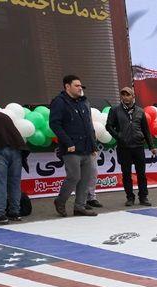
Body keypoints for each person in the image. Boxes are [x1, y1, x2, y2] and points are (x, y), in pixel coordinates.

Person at [49, 74, 98, 217]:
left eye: (81, 86)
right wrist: (68, 142)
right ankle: (60, 201)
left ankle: (79, 207)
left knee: (86, 178)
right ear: (67, 86)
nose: (80, 88)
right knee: (74, 177)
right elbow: (55, 124)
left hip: (87, 147)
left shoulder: (83, 102)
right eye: (76, 86)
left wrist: (93, 146)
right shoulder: (60, 102)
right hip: (71, 148)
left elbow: (89, 125)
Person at [105, 86, 157, 207]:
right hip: (124, 147)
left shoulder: (140, 111)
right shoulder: (115, 110)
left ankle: (143, 197)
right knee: (126, 174)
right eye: (123, 95)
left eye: (128, 95)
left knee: (141, 174)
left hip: (138, 146)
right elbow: (109, 126)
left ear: (133, 96)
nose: (125, 97)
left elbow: (146, 130)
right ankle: (130, 197)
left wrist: (152, 146)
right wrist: (119, 136)